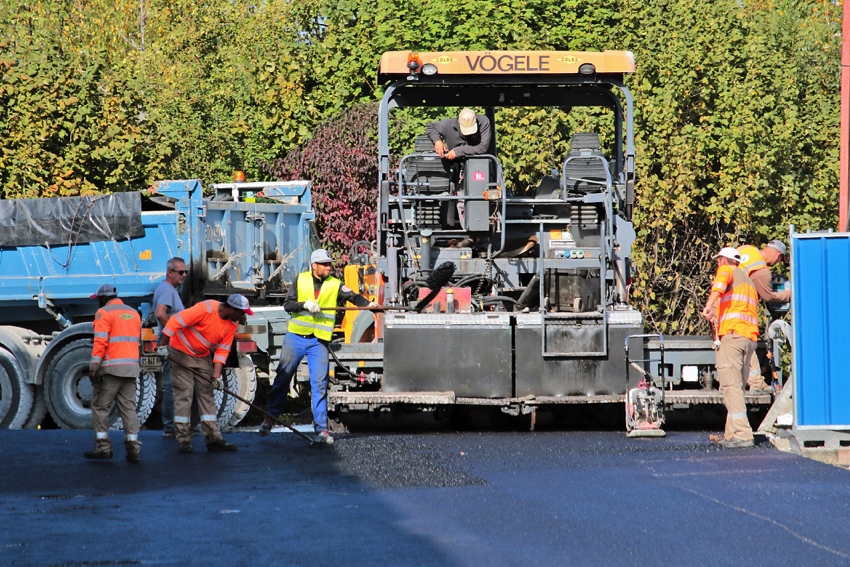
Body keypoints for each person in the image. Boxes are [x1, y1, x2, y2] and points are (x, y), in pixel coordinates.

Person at [259, 249, 375, 444]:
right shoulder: (301, 280)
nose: (328, 267)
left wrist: (369, 305)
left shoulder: (335, 284)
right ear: (314, 266)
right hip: (295, 338)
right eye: (324, 264)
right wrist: (305, 305)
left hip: (318, 341)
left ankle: (321, 430)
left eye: (329, 264)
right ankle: (269, 419)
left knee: (319, 384)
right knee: (282, 379)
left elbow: (353, 296)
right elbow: (288, 305)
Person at [158, 294, 253, 454]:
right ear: (230, 308)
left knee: (207, 395)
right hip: (180, 351)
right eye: (241, 312)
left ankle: (213, 439)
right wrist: (162, 346)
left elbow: (223, 350)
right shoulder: (206, 308)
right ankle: (183, 440)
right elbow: (175, 321)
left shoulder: (232, 323)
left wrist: (216, 376)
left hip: (201, 355)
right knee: (184, 395)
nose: (242, 316)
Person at [701, 247, 760, 449]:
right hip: (749, 337)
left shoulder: (727, 270)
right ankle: (731, 433)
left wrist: (709, 304)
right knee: (737, 386)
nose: (718, 265)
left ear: (724, 261)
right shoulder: (748, 281)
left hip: (733, 336)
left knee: (730, 386)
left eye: (718, 261)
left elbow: (719, 285)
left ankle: (743, 435)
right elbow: (738, 306)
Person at [85, 284, 142, 463]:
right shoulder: (133, 313)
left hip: (110, 370)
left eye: (98, 300)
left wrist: (94, 367)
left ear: (103, 298)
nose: (97, 303)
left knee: (101, 407)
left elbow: (100, 342)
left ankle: (103, 447)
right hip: (131, 369)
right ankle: (133, 448)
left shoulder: (104, 313)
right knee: (129, 409)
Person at [736, 239, 790, 392]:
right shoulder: (762, 269)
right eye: (779, 260)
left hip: (721, 303)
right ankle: (756, 383)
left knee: (727, 348)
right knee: (747, 343)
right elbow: (769, 297)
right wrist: (787, 295)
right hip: (739, 309)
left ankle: (727, 383)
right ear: (778, 255)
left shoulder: (746, 249)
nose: (777, 263)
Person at [153, 257, 187, 437]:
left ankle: (171, 425)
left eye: (185, 272)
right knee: (172, 384)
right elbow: (160, 313)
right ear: (169, 272)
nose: (184, 275)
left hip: (170, 340)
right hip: (171, 342)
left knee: (173, 384)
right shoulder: (167, 290)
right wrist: (175, 332)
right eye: (180, 272)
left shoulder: (168, 289)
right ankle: (170, 427)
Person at [425, 107, 492, 161]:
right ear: (458, 121)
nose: (468, 134)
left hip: (477, 163)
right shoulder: (447, 125)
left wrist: (457, 151)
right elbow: (430, 127)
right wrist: (437, 141)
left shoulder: (483, 122)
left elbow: (483, 148)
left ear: (476, 119)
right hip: (453, 165)